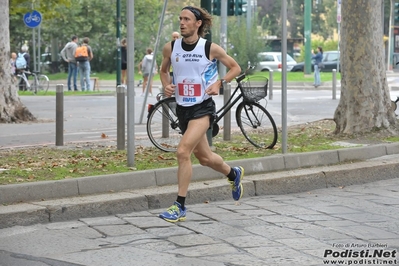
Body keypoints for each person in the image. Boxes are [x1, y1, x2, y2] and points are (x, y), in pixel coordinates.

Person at [158, 6, 243, 223]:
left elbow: (235, 68)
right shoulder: (171, 48)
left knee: (183, 151)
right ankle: (233, 174)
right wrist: (167, 85)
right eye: (180, 19)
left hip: (203, 109)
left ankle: (180, 206)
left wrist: (219, 82)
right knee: (205, 158)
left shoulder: (210, 48)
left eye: (187, 19)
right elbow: (163, 70)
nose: (182, 22)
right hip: (183, 109)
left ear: (198, 24)